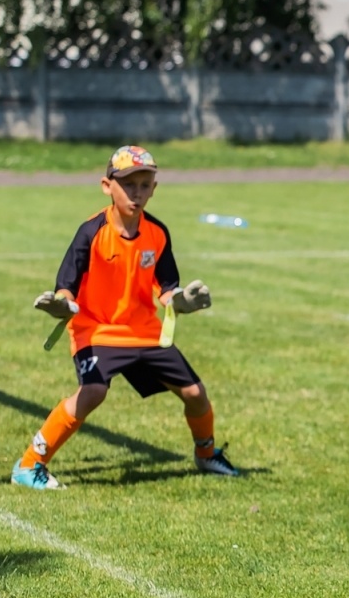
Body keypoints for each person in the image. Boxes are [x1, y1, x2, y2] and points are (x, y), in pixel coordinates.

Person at [13, 146, 235, 489]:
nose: (137, 193)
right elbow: (66, 286)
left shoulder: (157, 233)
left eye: (145, 185)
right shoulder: (91, 232)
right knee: (93, 392)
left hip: (144, 331)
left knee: (195, 393)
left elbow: (167, 289)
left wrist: (184, 302)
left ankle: (205, 455)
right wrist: (61, 304)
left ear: (154, 188)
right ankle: (29, 465)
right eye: (129, 184)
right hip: (96, 330)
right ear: (107, 186)